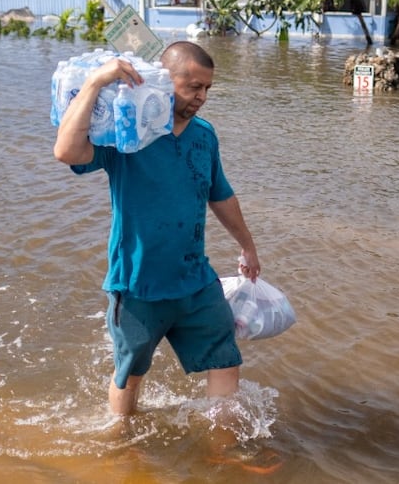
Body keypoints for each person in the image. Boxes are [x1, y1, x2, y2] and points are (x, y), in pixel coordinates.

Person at [53, 40, 261, 416]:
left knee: (226, 362)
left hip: (195, 280)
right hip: (137, 285)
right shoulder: (127, 133)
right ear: (165, 81)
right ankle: (122, 450)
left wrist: (248, 246)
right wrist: (95, 83)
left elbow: (221, 195)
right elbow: (67, 151)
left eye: (208, 89)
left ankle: (225, 454)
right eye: (193, 87)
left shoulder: (204, 135)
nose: (202, 97)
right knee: (130, 376)